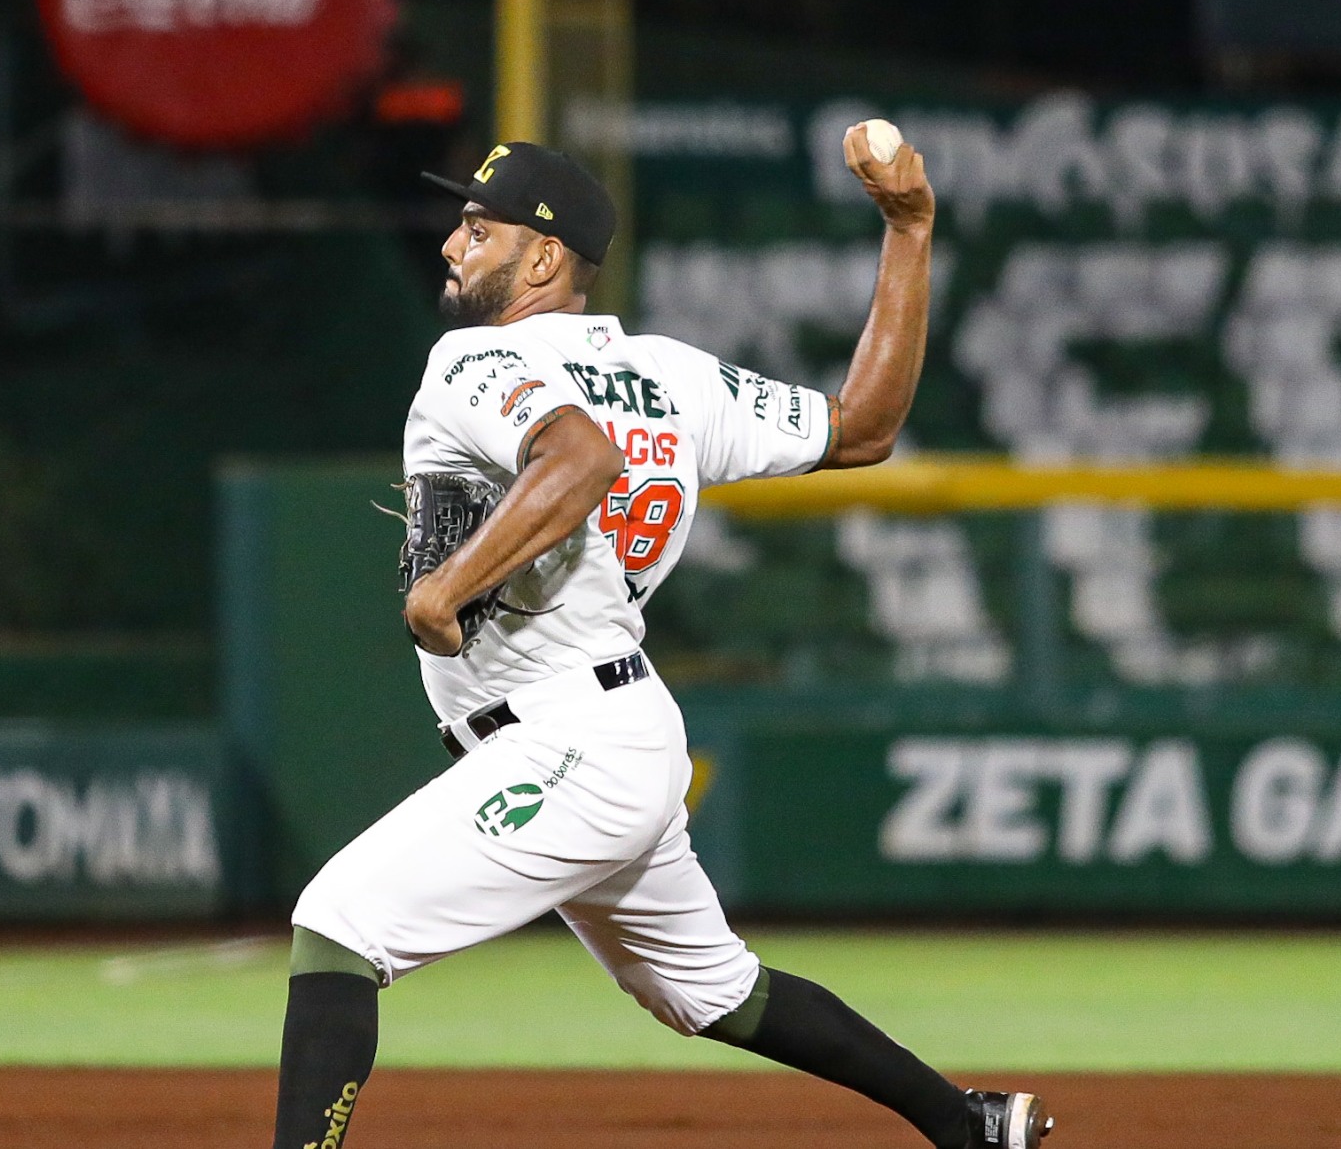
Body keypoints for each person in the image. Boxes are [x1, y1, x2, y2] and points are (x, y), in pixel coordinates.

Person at [267, 133, 1052, 1149]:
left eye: (479, 228)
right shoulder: (670, 377)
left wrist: (444, 591)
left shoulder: (473, 358)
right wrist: (908, 231)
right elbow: (863, 425)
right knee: (716, 992)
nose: (454, 244)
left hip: (564, 743)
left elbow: (579, 458)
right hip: (618, 727)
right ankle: (968, 1124)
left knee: (340, 926)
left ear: (544, 259)